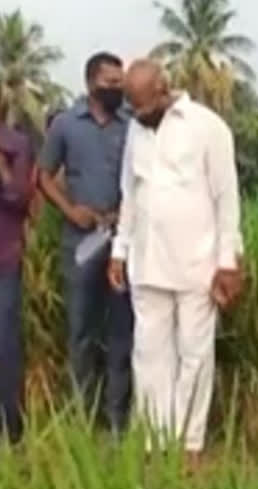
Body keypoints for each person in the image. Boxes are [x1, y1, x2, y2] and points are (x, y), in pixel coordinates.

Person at [108, 59, 243, 466]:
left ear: (164, 91)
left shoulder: (208, 127)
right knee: (148, 355)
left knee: (194, 354)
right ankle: (153, 442)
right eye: (133, 108)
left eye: (145, 107)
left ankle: (189, 444)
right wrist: (119, 250)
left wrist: (228, 261)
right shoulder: (136, 130)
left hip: (197, 265)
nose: (139, 116)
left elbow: (227, 199)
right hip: (147, 264)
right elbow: (130, 195)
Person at [38, 52, 134, 434]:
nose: (118, 89)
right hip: (79, 240)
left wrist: (126, 214)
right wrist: (70, 209)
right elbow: (43, 176)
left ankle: (116, 419)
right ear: (92, 83)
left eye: (121, 82)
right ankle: (82, 417)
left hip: (121, 240)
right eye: (111, 83)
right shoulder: (65, 125)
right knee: (80, 331)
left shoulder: (131, 126)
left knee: (120, 331)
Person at [0, 107, 34, 444]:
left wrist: (3, 170)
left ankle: (11, 432)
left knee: (5, 345)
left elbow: (21, 199)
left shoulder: (16, 144)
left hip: (4, 260)